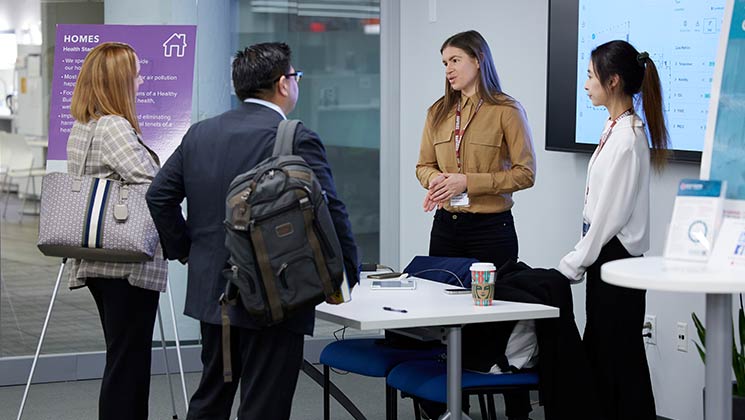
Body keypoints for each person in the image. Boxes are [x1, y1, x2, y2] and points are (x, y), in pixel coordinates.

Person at [146, 42, 359, 420]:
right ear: (282, 83)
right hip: (280, 293)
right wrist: (345, 275)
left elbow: (159, 196)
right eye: (296, 77)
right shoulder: (293, 136)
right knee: (265, 405)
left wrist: (187, 250)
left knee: (210, 397)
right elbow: (331, 209)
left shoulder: (201, 133)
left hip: (214, 293)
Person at [415, 30, 537, 420]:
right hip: (446, 227)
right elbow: (422, 165)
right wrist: (435, 181)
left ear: (477, 60)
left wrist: (469, 181)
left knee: (493, 318)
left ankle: (516, 407)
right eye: (445, 63)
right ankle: (450, 407)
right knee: (443, 317)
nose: (448, 69)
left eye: (455, 60)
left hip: (491, 231)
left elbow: (525, 173)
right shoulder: (436, 112)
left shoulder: (506, 110)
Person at [558, 40, 668, 420]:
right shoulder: (617, 128)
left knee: (618, 357)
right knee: (609, 356)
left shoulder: (627, 138)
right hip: (609, 259)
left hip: (616, 260)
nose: (586, 84)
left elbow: (608, 218)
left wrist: (572, 265)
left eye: (591, 76)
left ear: (614, 80)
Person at [66, 42, 167, 420]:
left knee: (122, 356)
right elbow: (151, 183)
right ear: (119, 81)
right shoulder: (114, 127)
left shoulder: (85, 125)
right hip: (125, 262)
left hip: (99, 259)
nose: (142, 81)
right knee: (129, 362)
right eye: (137, 74)